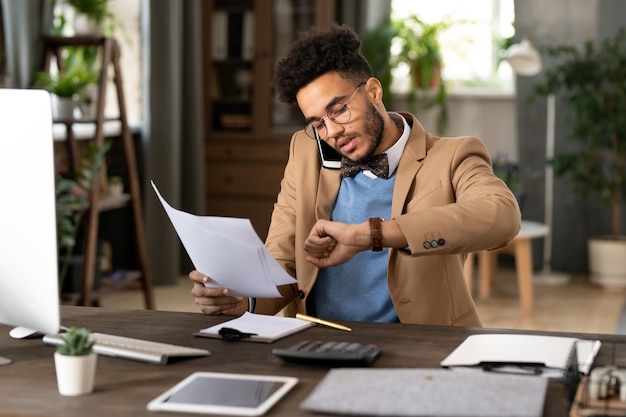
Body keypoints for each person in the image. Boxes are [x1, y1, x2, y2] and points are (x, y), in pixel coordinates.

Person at [189, 24, 521, 326]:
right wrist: (244, 300)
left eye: (339, 110)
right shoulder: (305, 151)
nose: (331, 131)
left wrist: (372, 235)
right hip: (314, 344)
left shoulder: (452, 155)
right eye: (318, 122)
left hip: (421, 346)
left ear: (373, 91)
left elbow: (502, 217)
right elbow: (284, 262)